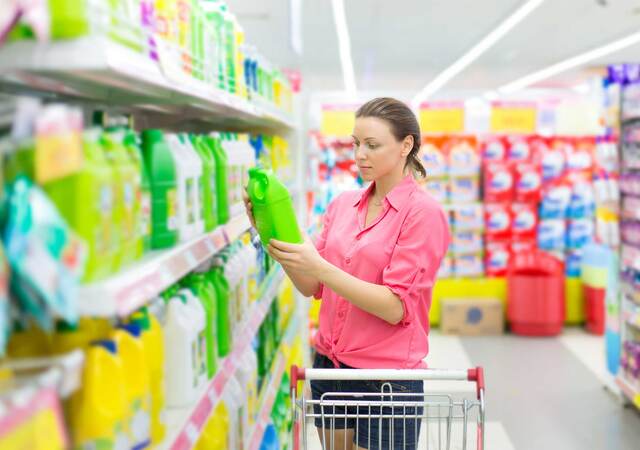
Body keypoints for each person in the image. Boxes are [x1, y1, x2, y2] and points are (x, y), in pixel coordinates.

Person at [244, 97, 450, 450]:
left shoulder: (423, 214)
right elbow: (311, 285)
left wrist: (321, 266)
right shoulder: (343, 205)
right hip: (330, 366)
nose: (360, 155)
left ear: (406, 145)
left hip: (385, 379)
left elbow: (395, 307)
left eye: (372, 145)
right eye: (356, 143)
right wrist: (272, 233)